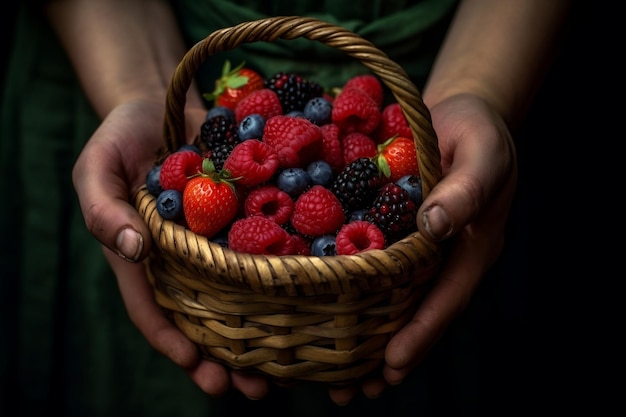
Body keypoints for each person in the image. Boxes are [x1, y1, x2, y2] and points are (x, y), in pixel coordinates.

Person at [0, 0, 571, 415]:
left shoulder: (347, 158)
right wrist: (141, 90)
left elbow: (323, 201)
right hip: (128, 55)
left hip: (444, 99)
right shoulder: (224, 154)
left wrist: (482, 87)